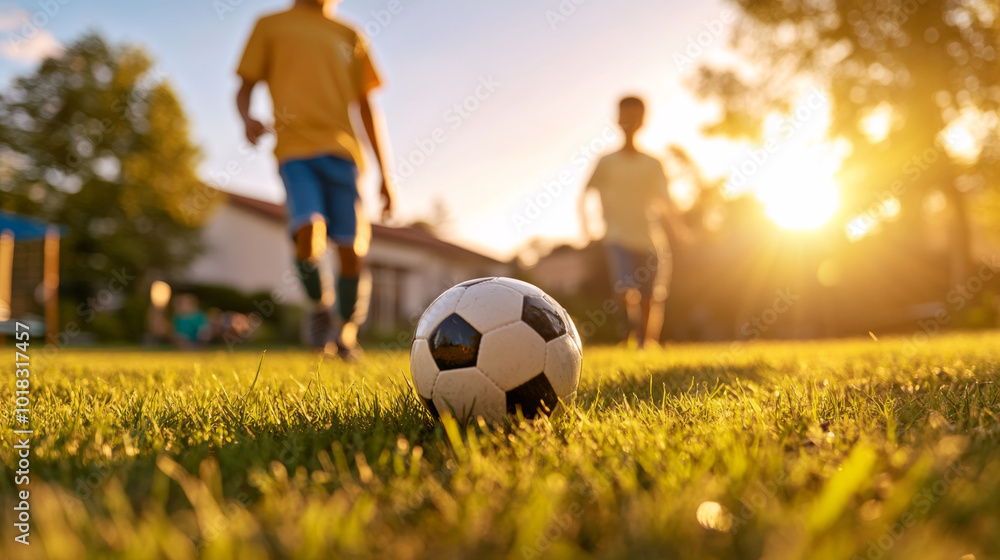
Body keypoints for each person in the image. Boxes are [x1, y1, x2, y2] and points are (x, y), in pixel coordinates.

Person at [235, 0, 394, 360]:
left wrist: (386, 174)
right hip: (296, 151)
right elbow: (244, 85)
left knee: (352, 249)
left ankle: (347, 332)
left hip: (344, 156)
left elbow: (367, 106)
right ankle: (320, 307)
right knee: (308, 229)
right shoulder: (270, 25)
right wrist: (247, 117)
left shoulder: (350, 35)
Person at [579, 96, 681, 349]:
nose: (630, 122)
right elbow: (586, 194)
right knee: (624, 287)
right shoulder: (606, 163)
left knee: (650, 297)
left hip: (649, 239)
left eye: (636, 116)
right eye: (626, 116)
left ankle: (644, 344)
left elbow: (666, 203)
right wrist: (586, 227)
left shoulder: (653, 164)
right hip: (617, 237)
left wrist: (680, 231)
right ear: (618, 119)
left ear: (643, 121)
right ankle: (626, 330)